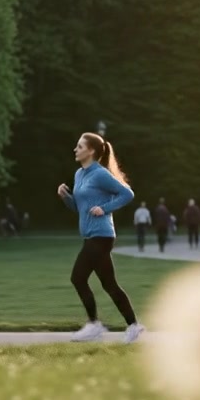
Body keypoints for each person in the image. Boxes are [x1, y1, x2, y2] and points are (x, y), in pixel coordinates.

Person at [58, 132, 143, 343]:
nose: (75, 150)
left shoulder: (100, 174)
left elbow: (128, 194)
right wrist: (66, 197)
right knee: (110, 285)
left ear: (91, 151)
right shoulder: (79, 174)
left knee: (77, 277)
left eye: (79, 146)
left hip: (102, 235)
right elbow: (79, 208)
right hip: (90, 236)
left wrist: (104, 209)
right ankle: (134, 325)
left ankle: (94, 324)